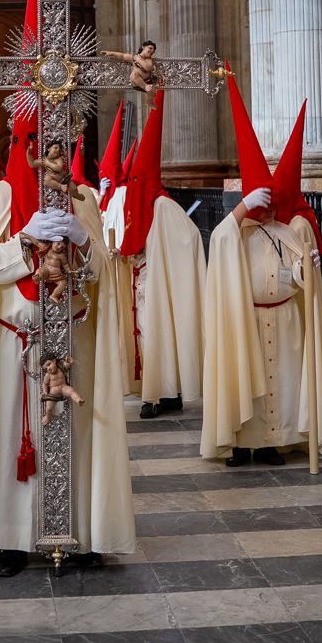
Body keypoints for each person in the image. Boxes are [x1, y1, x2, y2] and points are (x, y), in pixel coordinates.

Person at [0, 105, 133, 577]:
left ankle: (83, 534)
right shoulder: (0, 194)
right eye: (40, 145)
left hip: (73, 342)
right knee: (16, 437)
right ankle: (13, 540)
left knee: (79, 436)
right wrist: (25, 240)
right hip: (16, 343)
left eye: (58, 146)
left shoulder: (83, 199)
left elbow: (100, 274)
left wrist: (82, 239)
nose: (51, 156)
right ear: (25, 147)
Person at [199, 80, 322, 468]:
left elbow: (296, 274)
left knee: (284, 383)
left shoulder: (286, 231)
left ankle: (274, 443)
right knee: (249, 382)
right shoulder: (237, 231)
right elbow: (219, 242)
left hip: (285, 316)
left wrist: (306, 267)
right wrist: (242, 207)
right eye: (264, 202)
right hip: (249, 319)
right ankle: (243, 443)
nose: (270, 210)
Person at [102, 91, 205, 419]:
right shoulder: (137, 200)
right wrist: (122, 252)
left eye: (137, 178)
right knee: (145, 335)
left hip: (158, 282)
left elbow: (189, 240)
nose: (133, 184)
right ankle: (161, 390)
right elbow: (132, 236)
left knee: (158, 334)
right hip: (139, 278)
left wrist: (162, 258)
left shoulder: (163, 206)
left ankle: (159, 394)